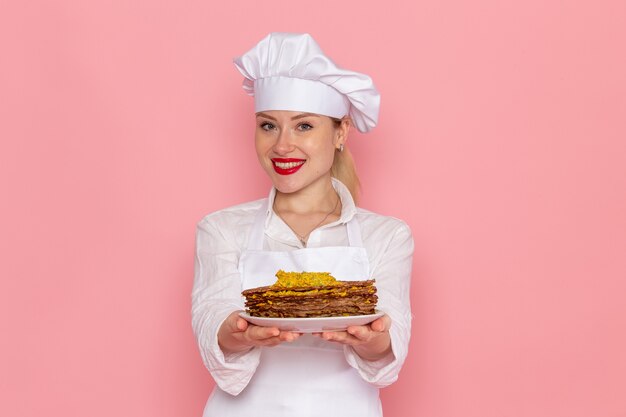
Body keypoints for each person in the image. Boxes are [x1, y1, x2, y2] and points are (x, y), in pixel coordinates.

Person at [192, 32, 414, 417]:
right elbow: (211, 320)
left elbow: (390, 349)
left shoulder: (388, 236)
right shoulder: (221, 228)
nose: (281, 146)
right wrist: (234, 334)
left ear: (341, 132)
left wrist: (368, 340)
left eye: (304, 126)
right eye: (268, 126)